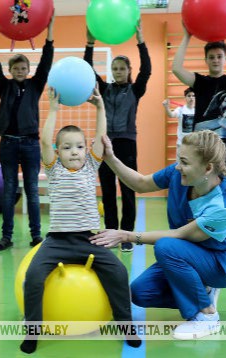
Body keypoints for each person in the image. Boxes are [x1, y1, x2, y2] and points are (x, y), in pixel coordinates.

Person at [90, 130, 226, 340]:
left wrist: (125, 236)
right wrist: (110, 157)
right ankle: (202, 290)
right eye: (179, 160)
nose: (178, 166)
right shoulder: (179, 173)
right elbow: (141, 183)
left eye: (184, 162)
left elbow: (179, 236)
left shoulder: (225, 207)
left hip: (221, 264)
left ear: (208, 168)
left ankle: (207, 314)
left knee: (166, 247)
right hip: (189, 255)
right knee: (140, 292)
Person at [20, 88, 141, 354]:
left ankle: (126, 324)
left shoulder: (91, 166)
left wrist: (100, 108)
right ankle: (33, 330)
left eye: (79, 146)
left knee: (119, 272)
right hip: (57, 241)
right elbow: (43, 142)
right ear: (57, 151)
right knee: (33, 276)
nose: (74, 152)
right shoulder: (53, 169)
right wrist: (52, 109)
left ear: (87, 150)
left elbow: (100, 137)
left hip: (89, 238)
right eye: (66, 147)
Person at [0, 9, 55, 251]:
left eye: (23, 67)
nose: (20, 70)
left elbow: (46, 60)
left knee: (33, 191)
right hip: (8, 144)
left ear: (28, 69)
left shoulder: (36, 86)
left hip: (30, 145)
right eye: (15, 67)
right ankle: (6, 237)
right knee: (9, 192)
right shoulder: (3, 86)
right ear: (11, 70)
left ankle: (36, 236)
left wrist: (50, 31)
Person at [84, 24, 151, 252]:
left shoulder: (135, 89)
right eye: (115, 68)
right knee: (108, 190)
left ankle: (126, 236)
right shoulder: (104, 89)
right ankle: (110, 232)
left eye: (122, 68)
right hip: (105, 144)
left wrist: (141, 41)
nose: (118, 72)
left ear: (128, 70)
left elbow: (147, 70)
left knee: (128, 190)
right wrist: (90, 44)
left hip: (126, 144)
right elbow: (87, 68)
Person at [172, 21, 226, 184]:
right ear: (205, 59)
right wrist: (186, 37)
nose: (216, 60)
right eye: (211, 57)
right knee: (202, 186)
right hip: (202, 143)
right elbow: (176, 68)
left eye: (219, 56)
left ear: (225, 58)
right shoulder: (199, 81)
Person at [162, 87, 196, 162]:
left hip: (194, 145)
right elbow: (171, 115)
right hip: (182, 144)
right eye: (189, 96)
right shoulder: (180, 109)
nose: (191, 98)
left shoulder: (199, 110)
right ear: (185, 98)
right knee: (179, 166)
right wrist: (166, 107)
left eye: (193, 96)